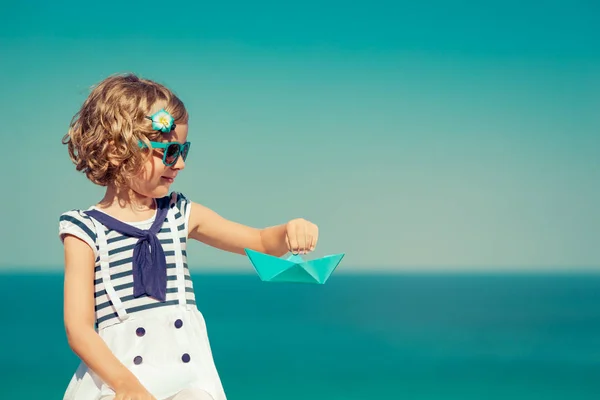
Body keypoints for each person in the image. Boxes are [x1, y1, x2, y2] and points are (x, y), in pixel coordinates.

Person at [58, 73, 319, 400]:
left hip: (187, 378)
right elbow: (79, 329)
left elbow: (261, 242)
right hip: (118, 379)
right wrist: (126, 386)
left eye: (184, 150)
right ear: (116, 150)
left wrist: (289, 230)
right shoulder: (84, 229)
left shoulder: (180, 212)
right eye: (167, 152)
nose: (179, 163)